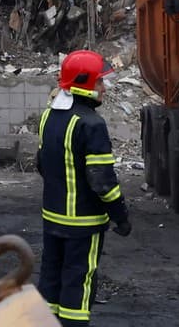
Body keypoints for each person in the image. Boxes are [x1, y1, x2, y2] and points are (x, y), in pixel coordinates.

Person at [36, 50, 130, 324]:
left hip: (52, 218)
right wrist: (120, 215)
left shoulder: (48, 117)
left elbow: (42, 165)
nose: (104, 88)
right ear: (85, 83)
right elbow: (101, 181)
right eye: (100, 82)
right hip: (83, 223)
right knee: (79, 285)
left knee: (50, 280)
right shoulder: (91, 124)